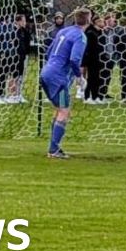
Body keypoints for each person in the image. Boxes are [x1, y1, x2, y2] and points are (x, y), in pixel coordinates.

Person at [39, 8, 88, 159]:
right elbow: (74, 59)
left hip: (46, 72)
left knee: (59, 109)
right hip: (58, 78)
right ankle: (54, 150)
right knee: (64, 111)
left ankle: (54, 148)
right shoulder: (80, 36)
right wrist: (79, 77)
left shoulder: (63, 31)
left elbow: (48, 52)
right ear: (88, 20)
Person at [0, 16, 17, 104]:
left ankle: (2, 94)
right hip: (0, 54)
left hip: (9, 54)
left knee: (5, 74)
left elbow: (14, 39)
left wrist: (12, 50)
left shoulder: (11, 27)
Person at [9, 14, 32, 103]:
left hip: (22, 56)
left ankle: (19, 94)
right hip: (14, 56)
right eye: (23, 21)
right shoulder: (12, 31)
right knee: (13, 76)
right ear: (18, 21)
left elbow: (27, 42)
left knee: (20, 76)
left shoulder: (23, 31)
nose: (25, 22)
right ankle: (12, 95)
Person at [82, 15, 104, 103]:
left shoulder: (100, 32)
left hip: (99, 58)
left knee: (97, 78)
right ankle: (87, 97)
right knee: (91, 78)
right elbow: (88, 47)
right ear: (95, 22)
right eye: (100, 21)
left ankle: (95, 96)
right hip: (91, 59)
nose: (102, 23)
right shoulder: (90, 32)